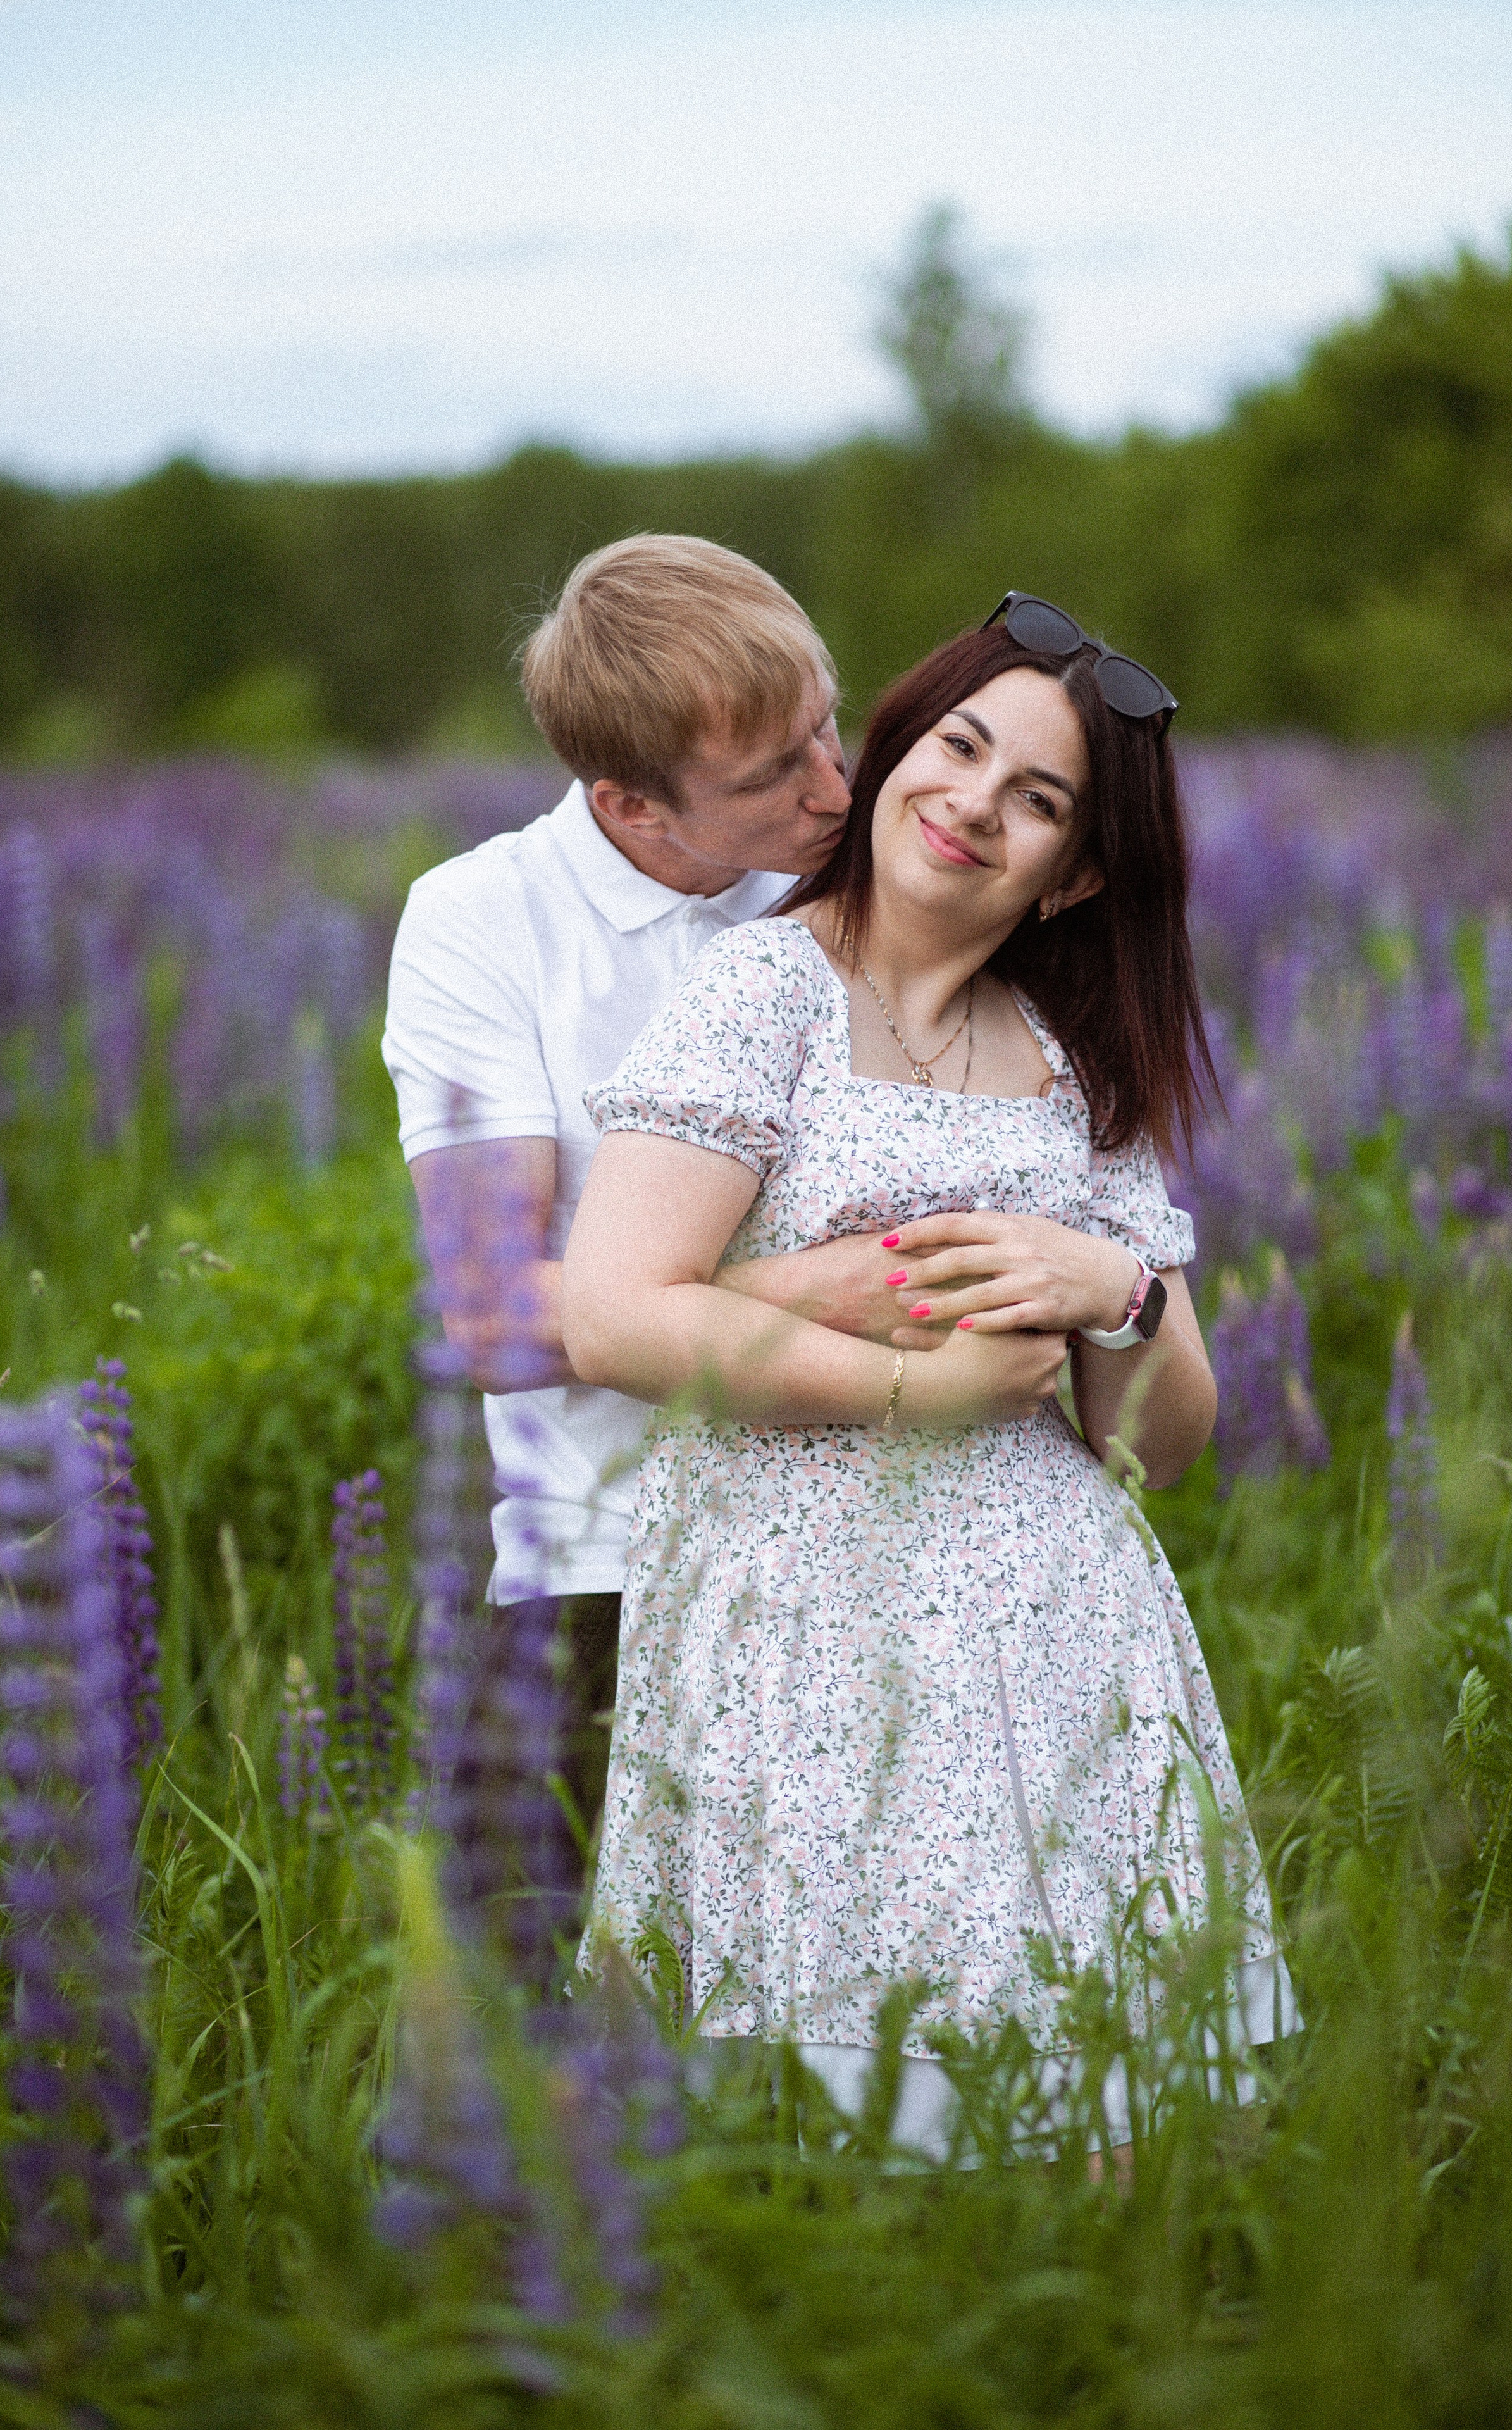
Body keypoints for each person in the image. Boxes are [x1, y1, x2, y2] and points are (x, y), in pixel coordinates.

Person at [561, 596, 1297, 2152]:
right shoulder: (767, 994)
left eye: (1037, 801)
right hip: (813, 1633)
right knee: (852, 2127)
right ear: (897, 751)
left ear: (1075, 871)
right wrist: (919, 1396)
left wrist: (1120, 1292)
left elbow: (1162, 1444)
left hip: (1062, 1650)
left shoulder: (1074, 1061)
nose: (973, 803)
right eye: (958, 749)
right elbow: (615, 1317)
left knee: (1100, 2119)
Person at [383, 534, 927, 1852]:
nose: (834, 786)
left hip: (888, 1536)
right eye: (771, 771)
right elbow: (495, 1321)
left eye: (827, 725)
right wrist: (808, 1286)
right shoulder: (481, 923)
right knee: (546, 2030)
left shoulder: (867, 884)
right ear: (631, 804)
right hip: (605, 1567)